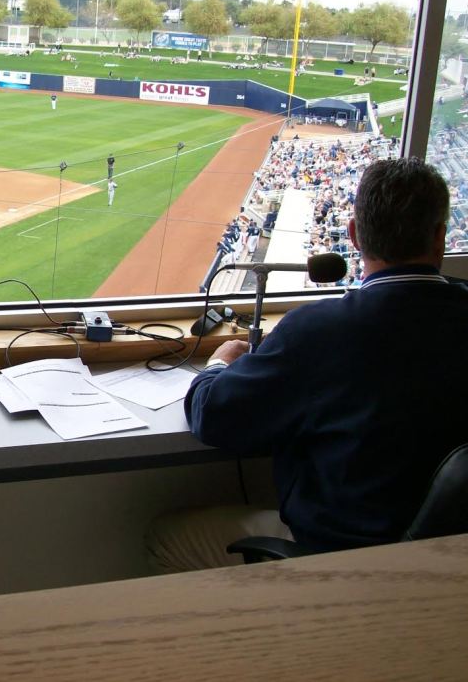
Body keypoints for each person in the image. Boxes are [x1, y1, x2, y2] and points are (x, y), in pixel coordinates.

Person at [145, 158, 468, 573]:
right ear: (441, 236)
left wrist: (217, 365)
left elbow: (211, 416)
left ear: (353, 235)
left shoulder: (321, 329)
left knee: (164, 538)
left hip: (343, 558)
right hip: (447, 564)